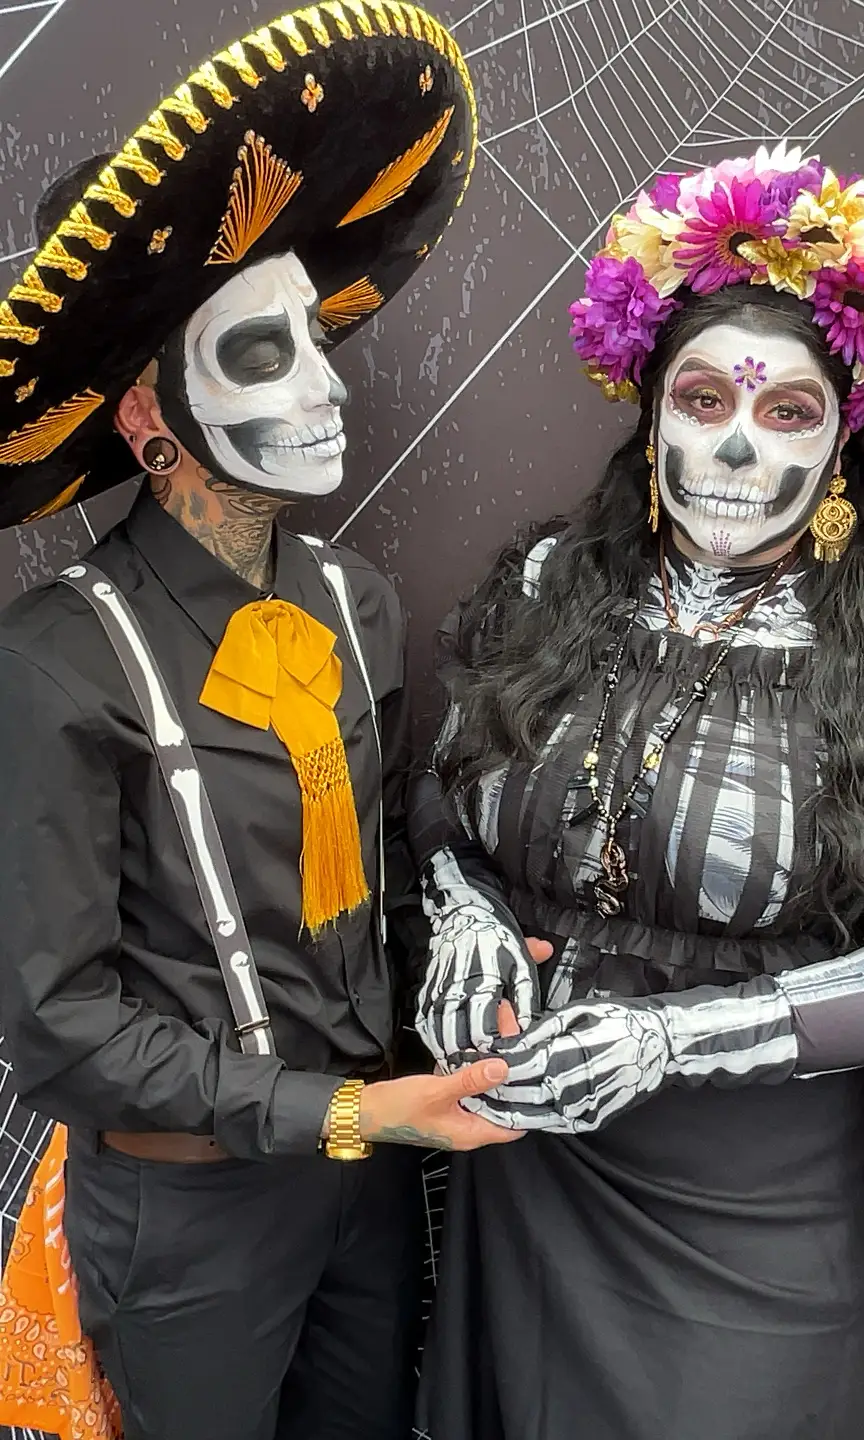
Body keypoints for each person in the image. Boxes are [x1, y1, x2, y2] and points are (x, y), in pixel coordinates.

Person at [410, 146, 864, 1440]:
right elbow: (445, 794)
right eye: (701, 400)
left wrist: (665, 1042)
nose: (735, 444)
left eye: (788, 412)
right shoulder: (551, 588)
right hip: (528, 1159)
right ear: (651, 415)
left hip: (756, 1214)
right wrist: (463, 919)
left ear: (847, 437)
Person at [0, 10, 519, 1440]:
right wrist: (343, 1114)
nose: (327, 381)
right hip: (189, 1216)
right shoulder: (56, 662)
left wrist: (478, 952)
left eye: (316, 336)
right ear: (148, 419)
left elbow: (388, 866)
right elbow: (58, 1028)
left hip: (370, 1188)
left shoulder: (358, 605)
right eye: (262, 350)